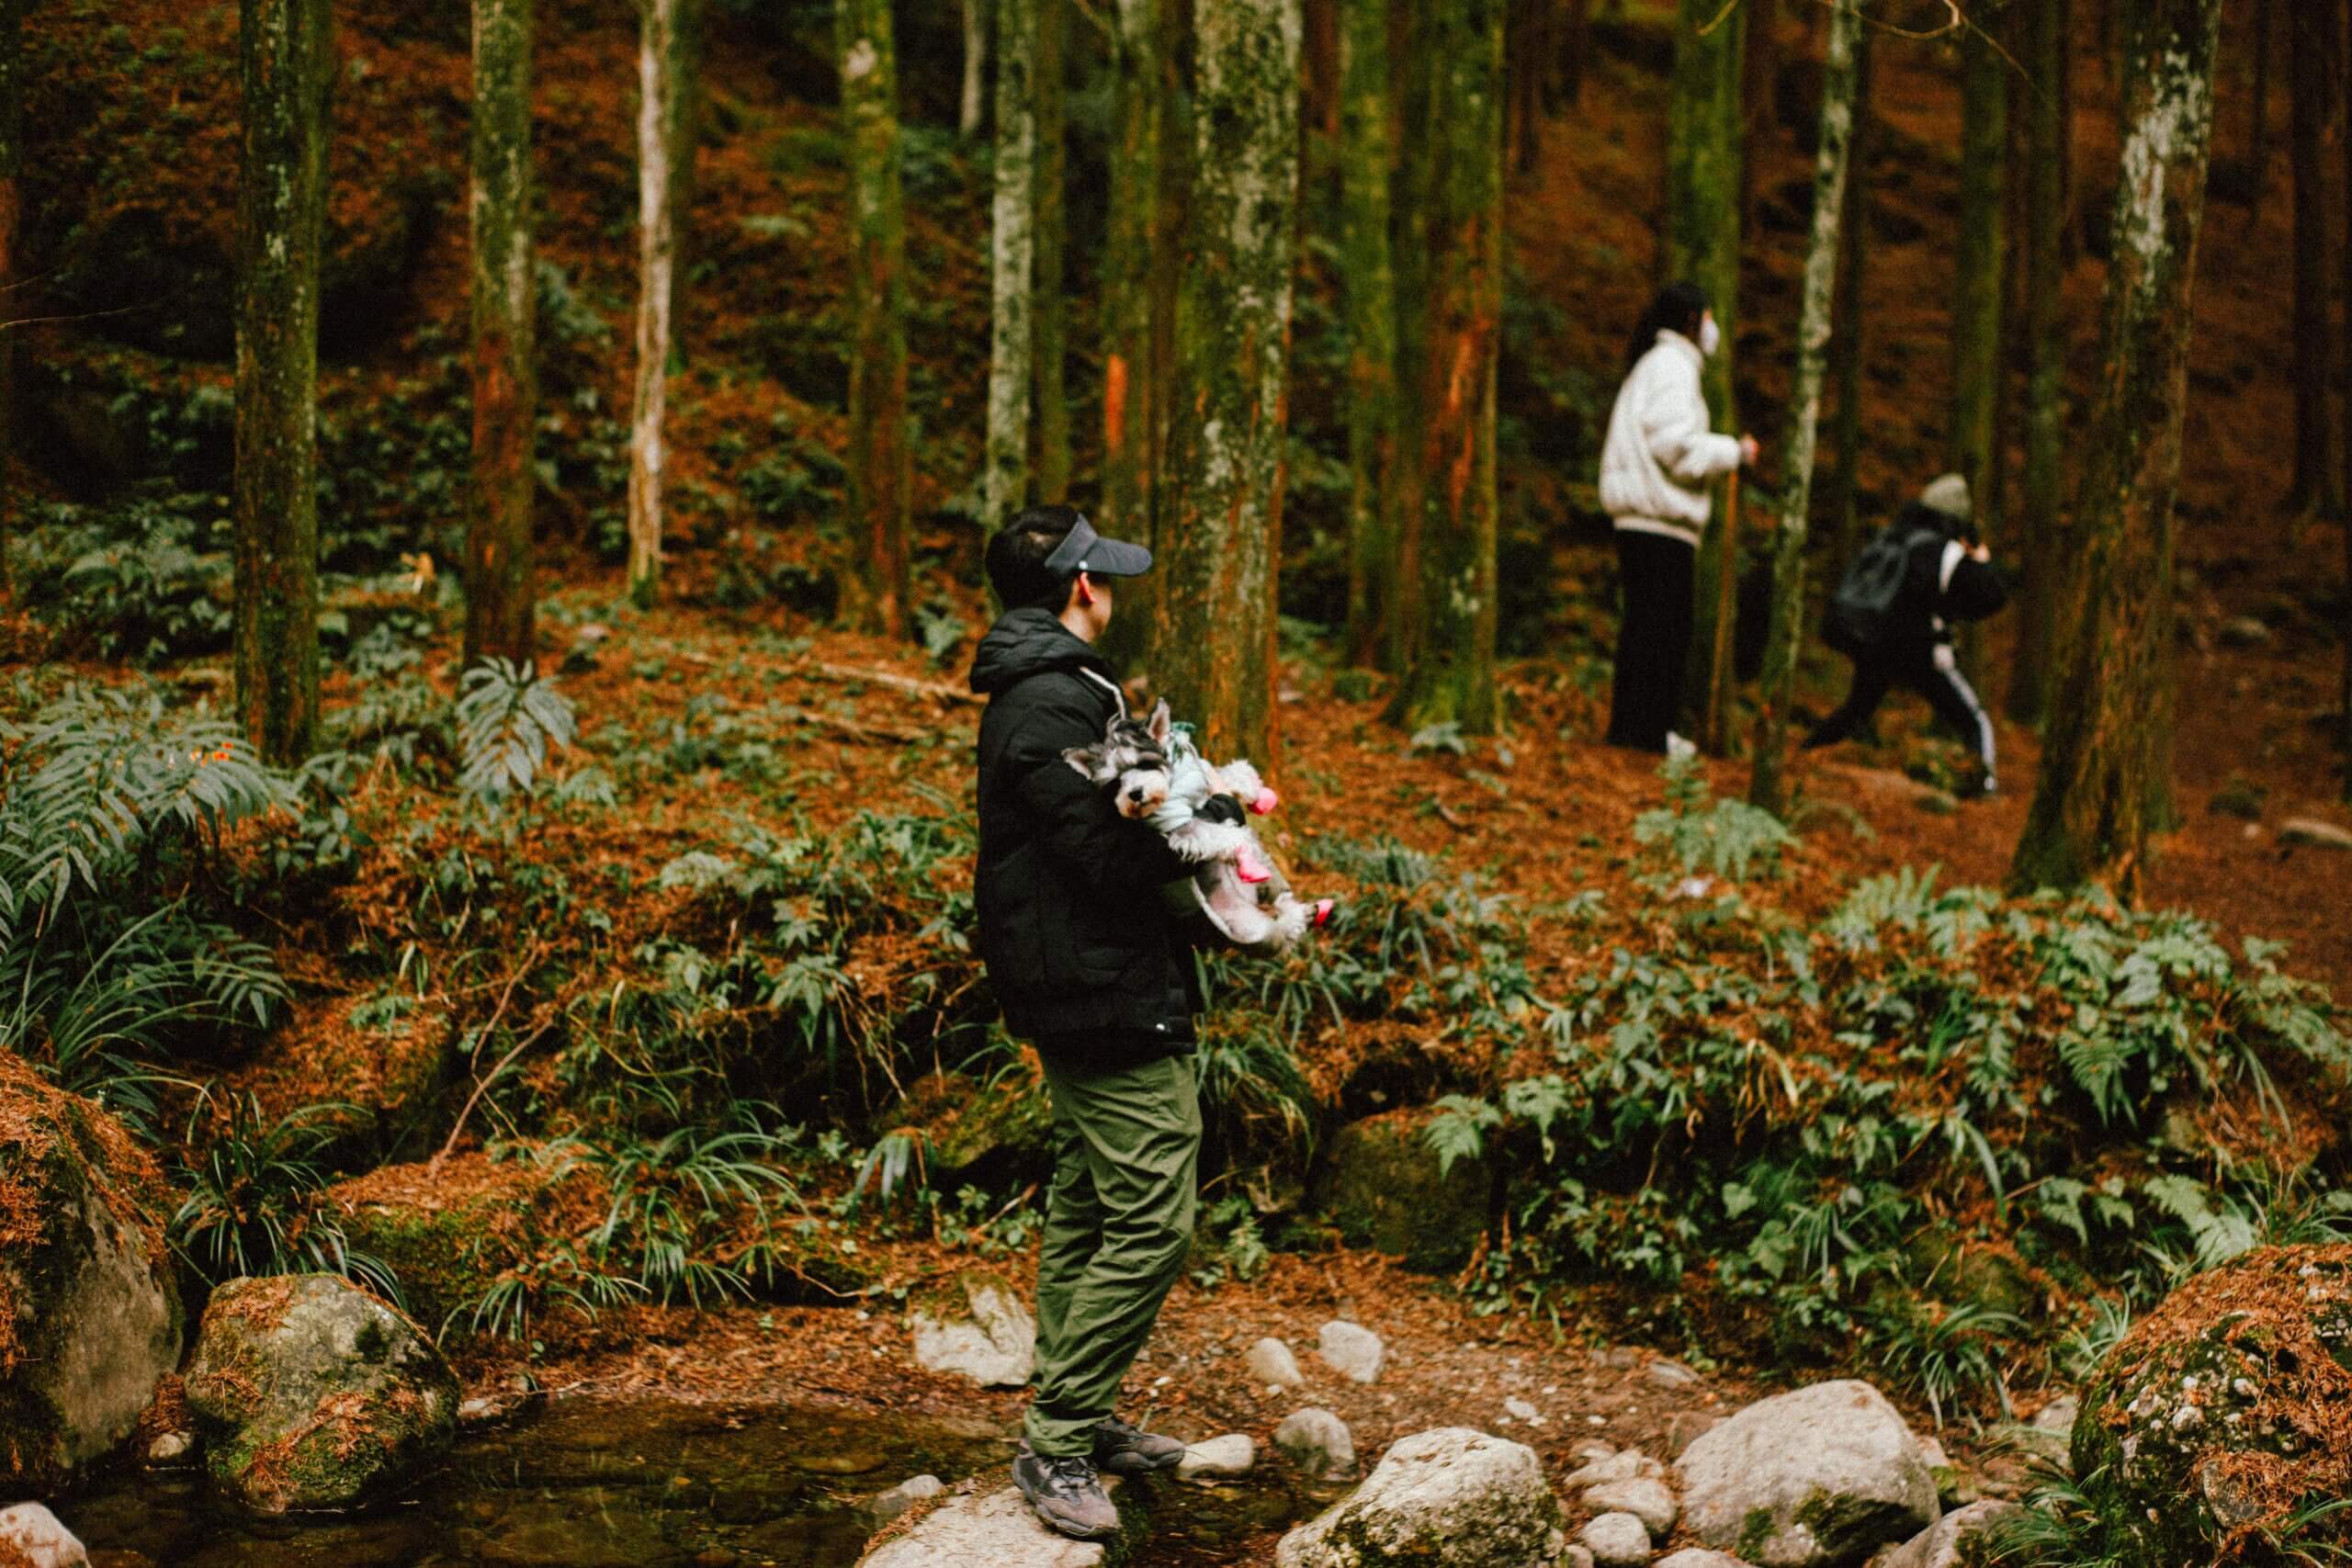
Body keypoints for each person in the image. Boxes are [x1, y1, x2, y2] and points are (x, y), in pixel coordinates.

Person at [968, 503, 1218, 1541]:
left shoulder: (1060, 695)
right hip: (1093, 985)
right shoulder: (1047, 706)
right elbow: (1106, 857)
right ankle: (1058, 1436)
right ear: (1078, 588)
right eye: (1102, 578)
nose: (1110, 592)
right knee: (1154, 1215)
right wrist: (1206, 834)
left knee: (1089, 1199)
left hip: (1087, 975)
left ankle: (1080, 1405)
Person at [1599, 280, 1760, 755]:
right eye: (1709, 318)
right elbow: (1676, 446)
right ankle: (1648, 735)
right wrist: (1734, 452)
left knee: (1646, 627)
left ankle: (1633, 729)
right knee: (1663, 632)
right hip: (1658, 520)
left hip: (1643, 516)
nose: (1714, 329)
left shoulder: (1655, 364)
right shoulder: (1671, 366)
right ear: (1692, 320)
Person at [1804, 473, 2009, 794]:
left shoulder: (1893, 537)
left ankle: (1803, 756)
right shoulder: (1944, 551)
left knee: (1855, 711)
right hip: (1920, 650)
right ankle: (1985, 785)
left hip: (1874, 641)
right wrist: (1981, 562)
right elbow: (1991, 595)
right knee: (1974, 720)